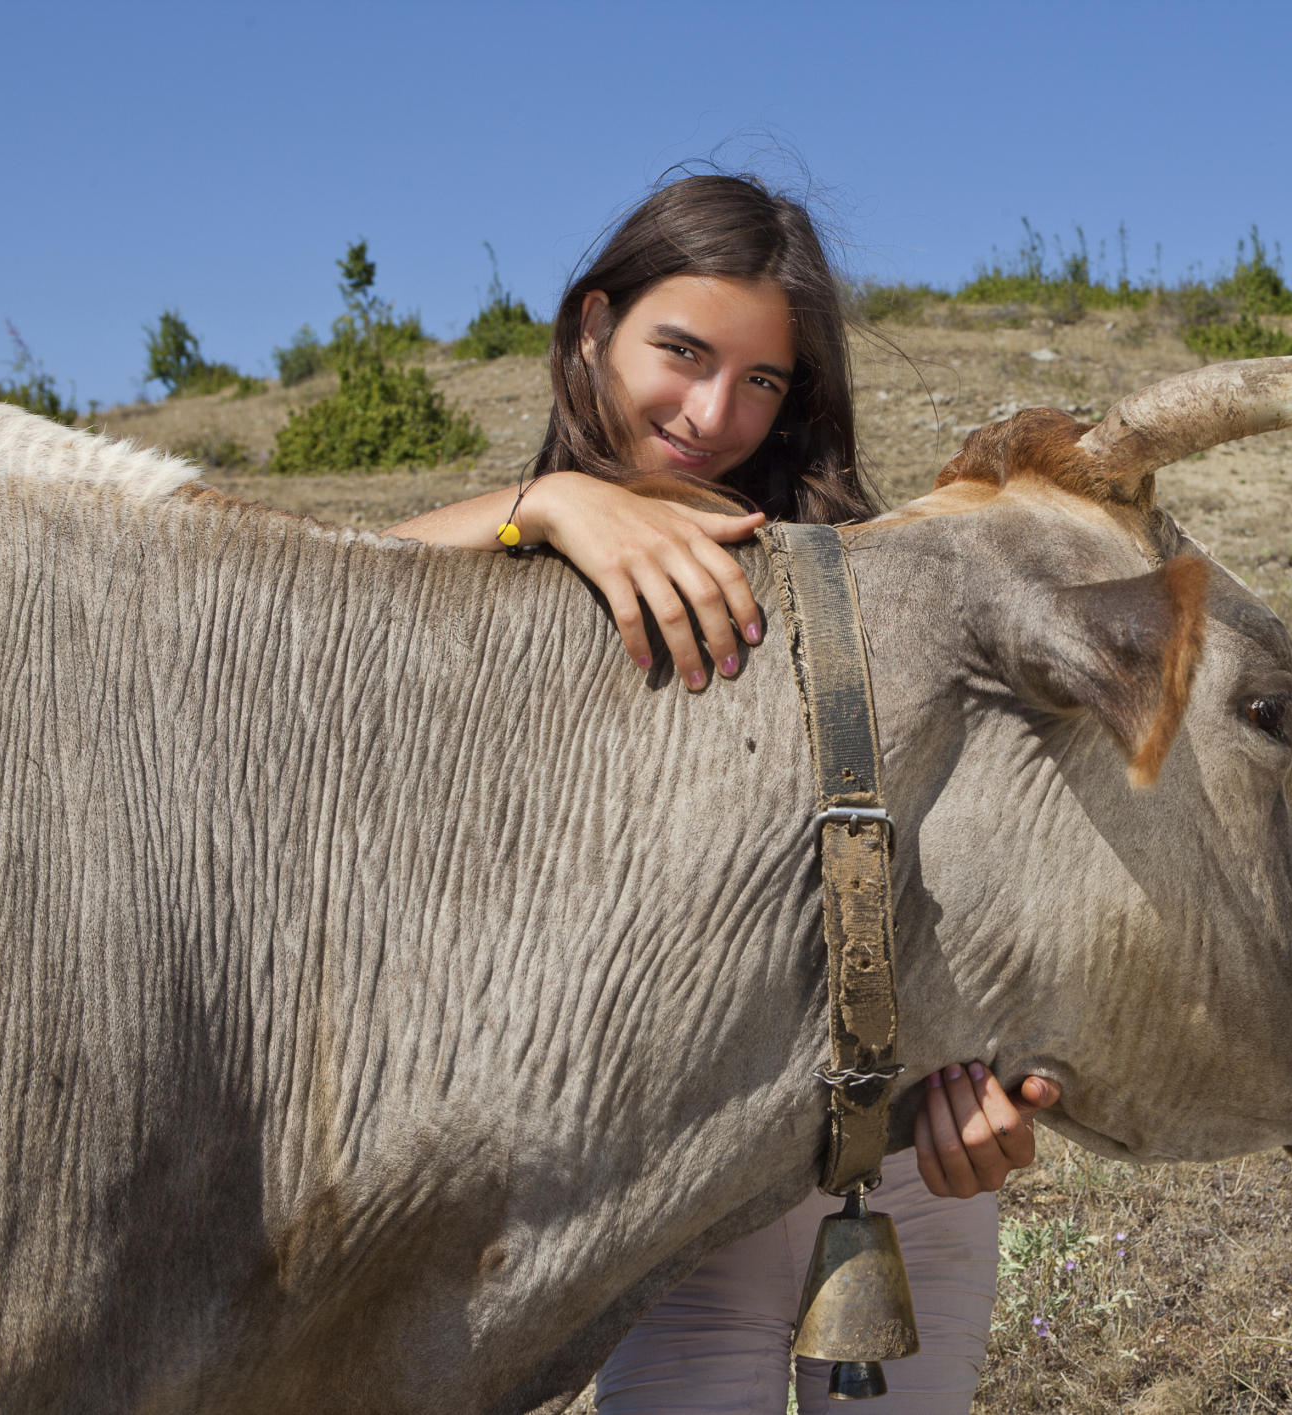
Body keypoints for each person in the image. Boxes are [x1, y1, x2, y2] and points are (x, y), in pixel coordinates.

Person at [388, 173, 1061, 1414]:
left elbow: (972, 857)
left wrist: (992, 1090)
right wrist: (551, 507)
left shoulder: (852, 575)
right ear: (593, 324)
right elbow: (312, 614)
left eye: (763, 381)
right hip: (671, 1182)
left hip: (896, 1171)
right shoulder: (514, 552)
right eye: (682, 351)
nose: (713, 413)